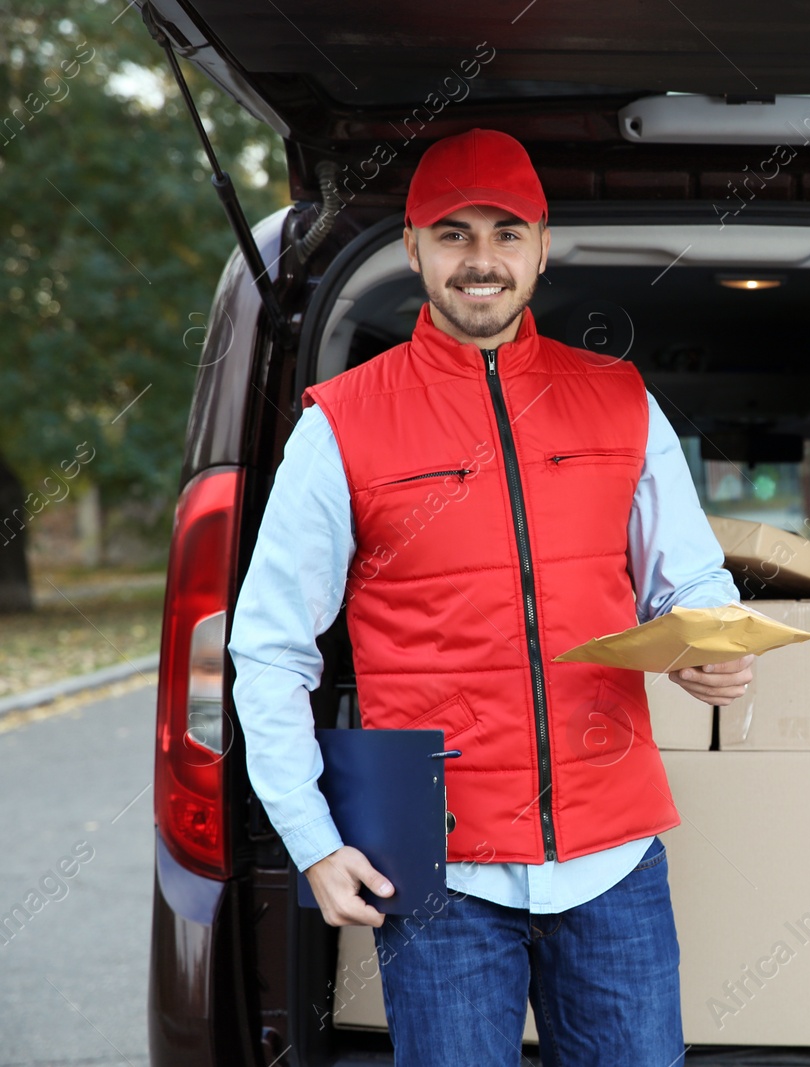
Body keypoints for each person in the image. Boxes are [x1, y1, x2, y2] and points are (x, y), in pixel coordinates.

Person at [227, 126, 754, 1066]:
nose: (483, 260)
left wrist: (709, 646)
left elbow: (692, 578)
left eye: (507, 233)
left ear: (543, 247)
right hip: (437, 870)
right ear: (414, 250)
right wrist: (311, 837)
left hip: (613, 857)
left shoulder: (620, 399)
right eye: (455, 234)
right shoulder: (342, 423)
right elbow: (269, 648)